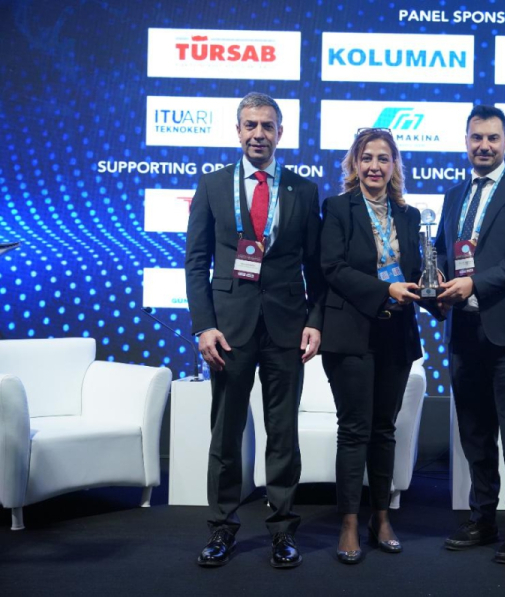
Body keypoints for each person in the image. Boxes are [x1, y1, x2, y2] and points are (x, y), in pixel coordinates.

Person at [185, 92, 325, 569]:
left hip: (286, 328)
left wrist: (315, 321)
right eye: (251, 125)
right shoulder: (212, 185)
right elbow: (196, 262)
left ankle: (283, 531)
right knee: (226, 433)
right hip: (228, 330)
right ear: (238, 130)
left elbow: (316, 268)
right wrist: (203, 325)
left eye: (267, 126)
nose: (259, 134)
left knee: (283, 432)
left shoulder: (303, 190)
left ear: (280, 133)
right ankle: (221, 528)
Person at [435, 105, 505, 564]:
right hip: (464, 330)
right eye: (476, 137)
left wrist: (474, 284)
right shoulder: (453, 195)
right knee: (475, 434)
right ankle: (482, 517)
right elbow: (443, 254)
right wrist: (436, 284)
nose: (484, 146)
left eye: (492, 138)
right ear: (466, 141)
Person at [318, 128, 423, 564]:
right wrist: (385, 290)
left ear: (394, 165)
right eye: (367, 158)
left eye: (383, 158)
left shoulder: (409, 215)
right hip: (351, 333)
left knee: (384, 430)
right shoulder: (337, 208)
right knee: (354, 429)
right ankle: (348, 523)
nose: (375, 166)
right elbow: (332, 267)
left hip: (396, 334)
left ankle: (381, 518)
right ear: (354, 164)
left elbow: (415, 270)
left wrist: (431, 288)